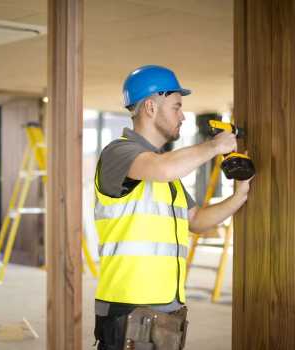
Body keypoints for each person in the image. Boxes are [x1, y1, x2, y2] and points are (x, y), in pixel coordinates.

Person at [93, 65, 254, 349]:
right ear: (151, 107)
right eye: (177, 107)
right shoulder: (119, 153)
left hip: (168, 310)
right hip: (129, 309)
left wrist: (240, 194)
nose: (182, 116)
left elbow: (198, 221)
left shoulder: (165, 174)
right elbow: (166, 168)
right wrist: (215, 146)